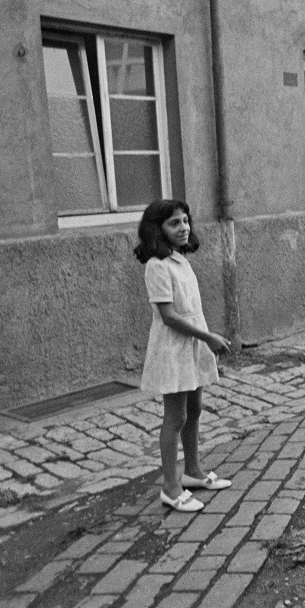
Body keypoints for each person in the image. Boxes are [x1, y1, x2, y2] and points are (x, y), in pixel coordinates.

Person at [134, 199, 233, 513]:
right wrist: (209, 338)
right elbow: (169, 317)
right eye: (174, 223)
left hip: (192, 343)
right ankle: (170, 486)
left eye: (185, 221)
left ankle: (193, 471)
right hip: (174, 347)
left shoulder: (178, 259)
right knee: (175, 417)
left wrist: (203, 339)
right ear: (157, 229)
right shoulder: (157, 265)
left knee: (194, 408)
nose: (183, 228)